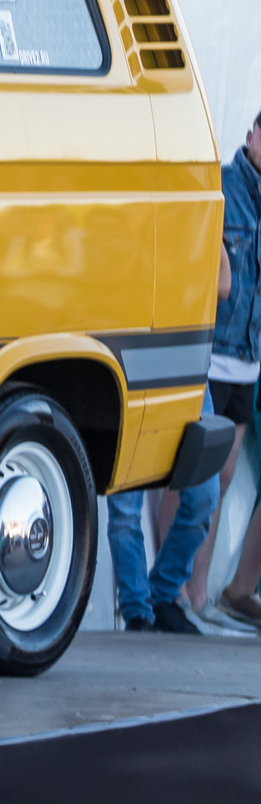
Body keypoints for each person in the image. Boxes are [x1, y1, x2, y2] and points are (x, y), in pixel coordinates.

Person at [108, 119, 251, 632]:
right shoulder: (124, 216)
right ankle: (138, 609)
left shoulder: (197, 213)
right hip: (128, 364)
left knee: (203, 496)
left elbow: (225, 285)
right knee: (124, 504)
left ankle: (163, 590)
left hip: (185, 366)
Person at [201, 111, 261, 628]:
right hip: (212, 354)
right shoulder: (222, 187)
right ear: (250, 137)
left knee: (221, 478)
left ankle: (202, 596)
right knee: (196, 479)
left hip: (247, 359)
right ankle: (185, 594)